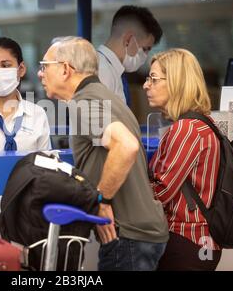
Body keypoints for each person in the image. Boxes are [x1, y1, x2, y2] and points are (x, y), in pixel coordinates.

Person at [38, 36, 168, 271]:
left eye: (45, 66)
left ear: (66, 69)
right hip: (140, 234)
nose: (40, 74)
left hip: (128, 237)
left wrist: (102, 199)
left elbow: (126, 145)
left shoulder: (84, 103)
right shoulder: (105, 98)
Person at [144, 48, 222, 270]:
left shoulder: (186, 129)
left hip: (186, 240)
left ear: (177, 82)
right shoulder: (201, 122)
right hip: (198, 242)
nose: (146, 85)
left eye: (154, 79)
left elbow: (161, 191)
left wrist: (126, 192)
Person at [98, 5, 163, 104]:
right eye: (145, 49)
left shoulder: (114, 70)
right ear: (128, 40)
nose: (145, 56)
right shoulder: (101, 71)